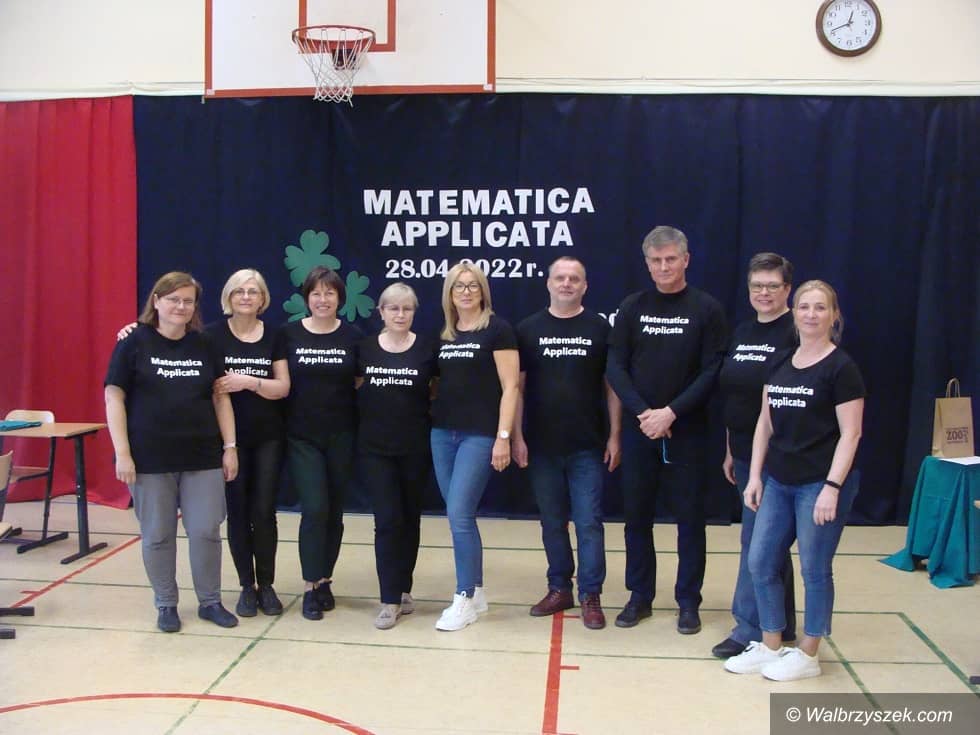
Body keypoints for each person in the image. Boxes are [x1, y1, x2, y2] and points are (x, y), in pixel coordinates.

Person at [724, 280, 864, 681]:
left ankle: (808, 653)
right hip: (778, 482)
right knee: (760, 561)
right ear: (795, 312)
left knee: (814, 568)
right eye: (804, 307)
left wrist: (832, 488)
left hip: (819, 485)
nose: (810, 314)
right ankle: (771, 645)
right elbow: (765, 422)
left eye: (820, 307)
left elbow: (851, 433)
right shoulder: (781, 362)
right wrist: (755, 476)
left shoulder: (841, 368)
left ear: (833, 315)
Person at [606, 225, 727, 633]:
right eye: (656, 261)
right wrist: (645, 414)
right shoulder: (632, 307)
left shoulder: (706, 308)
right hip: (641, 430)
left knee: (690, 520)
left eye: (671, 259)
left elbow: (712, 370)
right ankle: (639, 596)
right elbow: (615, 367)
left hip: (687, 431)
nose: (664, 267)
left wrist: (671, 413)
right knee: (636, 518)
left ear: (686, 260)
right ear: (647, 264)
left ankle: (688, 601)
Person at [104, 271, 239, 633]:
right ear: (157, 301)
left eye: (188, 301)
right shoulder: (133, 341)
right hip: (149, 459)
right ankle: (166, 604)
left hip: (202, 456)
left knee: (206, 531)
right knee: (158, 535)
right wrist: (122, 452)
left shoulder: (205, 344)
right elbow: (114, 397)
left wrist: (230, 447)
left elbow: (220, 397)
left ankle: (210, 602)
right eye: (173, 299)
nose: (181, 306)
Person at [512, 256, 622, 630]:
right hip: (542, 446)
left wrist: (615, 435)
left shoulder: (599, 328)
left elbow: (612, 387)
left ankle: (591, 594)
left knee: (589, 523)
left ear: (585, 286)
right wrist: (516, 436)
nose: (566, 283)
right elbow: (517, 389)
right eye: (560, 277)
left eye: (574, 278)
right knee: (552, 522)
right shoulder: (528, 329)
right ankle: (559, 588)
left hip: (587, 446)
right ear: (548, 283)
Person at [711, 253, 798, 659]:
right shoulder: (743, 331)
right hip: (744, 452)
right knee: (769, 542)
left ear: (787, 289)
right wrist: (731, 448)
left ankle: (748, 628)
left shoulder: (795, 331)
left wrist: (763, 463)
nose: (764, 292)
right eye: (757, 286)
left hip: (779, 456)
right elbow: (736, 394)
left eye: (772, 286)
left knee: (756, 543)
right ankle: (783, 623)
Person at [430, 262, 519, 631]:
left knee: (459, 514)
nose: (466, 292)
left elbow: (511, 387)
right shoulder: (445, 335)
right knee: (459, 515)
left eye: (472, 285)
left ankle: (463, 597)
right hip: (442, 434)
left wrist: (503, 436)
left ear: (483, 291)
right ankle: (477, 591)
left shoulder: (498, 330)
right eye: (458, 286)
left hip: (479, 436)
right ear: (449, 295)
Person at [274, 266, 362, 621]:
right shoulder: (288, 334)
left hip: (342, 434)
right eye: (316, 293)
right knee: (314, 509)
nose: (323, 299)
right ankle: (311, 585)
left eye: (329, 293)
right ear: (306, 298)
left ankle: (326, 579)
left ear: (340, 298)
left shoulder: (354, 336)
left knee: (334, 511)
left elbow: (359, 381)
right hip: (302, 437)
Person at [356, 283, 437, 630]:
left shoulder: (428, 348)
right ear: (381, 312)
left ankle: (403, 588)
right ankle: (388, 599)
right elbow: (354, 387)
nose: (400, 315)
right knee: (387, 520)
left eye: (407, 309)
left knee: (409, 519)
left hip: (415, 447)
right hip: (375, 449)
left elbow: (436, 390)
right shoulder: (365, 348)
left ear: (414, 312)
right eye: (393, 308)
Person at [210, 269, 290, 618]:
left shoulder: (274, 335)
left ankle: (267, 584)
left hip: (269, 437)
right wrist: (132, 328)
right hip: (231, 440)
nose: (246, 297)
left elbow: (282, 388)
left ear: (263, 299)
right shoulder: (212, 336)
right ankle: (247, 585)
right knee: (238, 512)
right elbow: (216, 391)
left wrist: (247, 381)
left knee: (264, 511)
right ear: (229, 297)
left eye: (253, 291)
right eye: (239, 291)